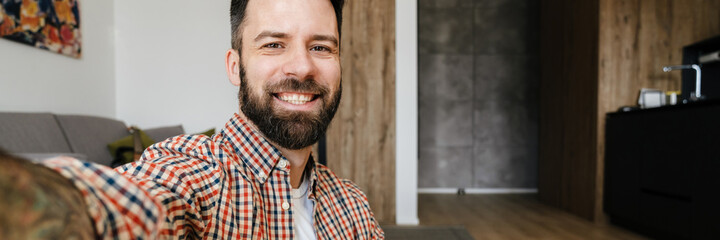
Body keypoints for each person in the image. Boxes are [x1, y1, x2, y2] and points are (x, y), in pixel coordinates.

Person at [0, 0, 384, 239]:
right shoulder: (195, 173)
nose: (302, 66)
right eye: (273, 44)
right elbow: (134, 202)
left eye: (321, 47)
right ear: (236, 67)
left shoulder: (352, 205)